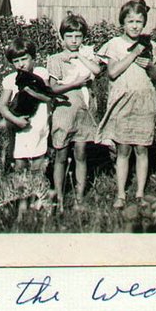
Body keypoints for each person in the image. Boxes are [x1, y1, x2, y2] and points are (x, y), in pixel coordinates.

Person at [97, 0, 156, 208]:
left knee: (142, 149)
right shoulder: (115, 45)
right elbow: (113, 72)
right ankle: (121, 194)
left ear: (144, 24)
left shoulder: (150, 45)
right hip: (123, 102)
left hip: (144, 101)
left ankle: (140, 193)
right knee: (123, 150)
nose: (135, 25)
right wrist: (133, 54)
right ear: (123, 23)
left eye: (139, 22)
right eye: (130, 21)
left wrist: (150, 66)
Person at [47, 13, 102, 210]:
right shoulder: (55, 59)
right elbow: (52, 88)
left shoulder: (86, 56)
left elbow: (96, 71)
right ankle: (59, 198)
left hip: (84, 111)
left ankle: (79, 198)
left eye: (78, 36)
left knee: (81, 152)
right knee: (61, 155)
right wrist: (75, 83)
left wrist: (80, 55)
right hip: (64, 110)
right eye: (69, 36)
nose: (74, 40)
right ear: (62, 38)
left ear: (83, 38)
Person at [0, 37, 50, 173]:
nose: (21, 64)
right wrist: (16, 120)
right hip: (21, 126)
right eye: (16, 61)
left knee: (38, 166)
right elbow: (2, 106)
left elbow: (48, 97)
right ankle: (21, 193)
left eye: (24, 59)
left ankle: (36, 193)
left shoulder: (41, 73)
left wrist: (29, 91)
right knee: (20, 164)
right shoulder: (10, 80)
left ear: (33, 58)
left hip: (39, 125)